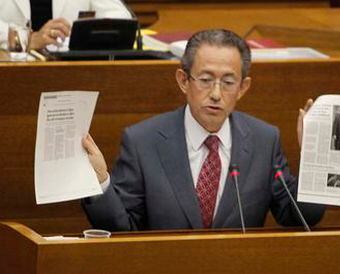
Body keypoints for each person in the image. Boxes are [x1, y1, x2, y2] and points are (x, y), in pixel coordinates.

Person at [82, 29, 325, 231]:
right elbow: (122, 230)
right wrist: (101, 182)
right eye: (206, 80)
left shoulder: (264, 140)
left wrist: (315, 158)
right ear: (183, 80)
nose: (216, 94)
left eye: (228, 83)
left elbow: (298, 218)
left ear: (243, 87)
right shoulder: (142, 142)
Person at [0, 0, 131, 50]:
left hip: (70, 71)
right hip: (12, 72)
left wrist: (82, 32)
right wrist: (26, 40)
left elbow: (120, 16)